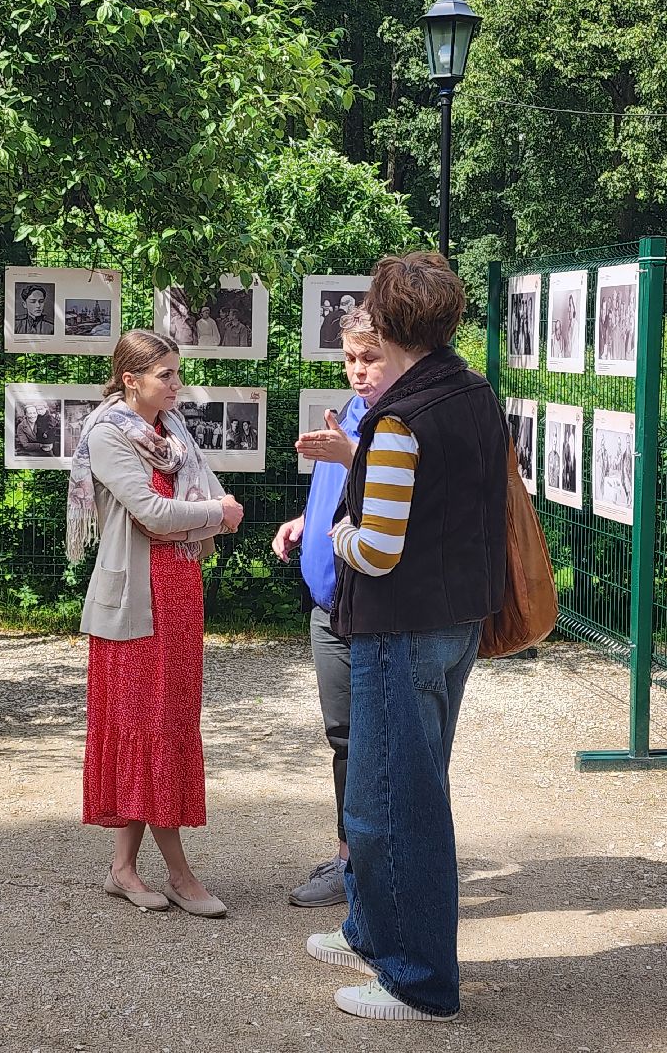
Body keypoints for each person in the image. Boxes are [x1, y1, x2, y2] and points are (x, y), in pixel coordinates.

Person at [304, 251, 506, 1023]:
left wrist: (342, 527)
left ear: (390, 322)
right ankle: (370, 932)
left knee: (392, 807)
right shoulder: (472, 392)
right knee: (400, 791)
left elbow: (377, 549)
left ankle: (417, 982)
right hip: (455, 621)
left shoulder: (399, 419)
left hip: (399, 628)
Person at [66, 330, 246, 919]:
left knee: (159, 728)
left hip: (177, 596)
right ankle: (179, 872)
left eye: (177, 372)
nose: (176, 384)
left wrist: (198, 518)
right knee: (150, 730)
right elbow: (151, 513)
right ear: (130, 380)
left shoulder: (173, 432)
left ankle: (122, 869)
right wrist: (215, 516)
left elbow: (184, 512)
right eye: (165, 375)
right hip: (135, 607)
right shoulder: (108, 435)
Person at [272, 309, 389, 909]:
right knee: (344, 737)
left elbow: (391, 506)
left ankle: (369, 866)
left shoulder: (397, 419)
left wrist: (349, 457)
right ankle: (351, 857)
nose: (358, 372)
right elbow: (339, 499)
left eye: (368, 358)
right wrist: (304, 521)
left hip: (369, 608)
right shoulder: (351, 411)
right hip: (328, 602)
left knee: (376, 742)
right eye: (349, 359)